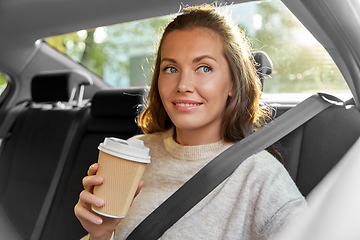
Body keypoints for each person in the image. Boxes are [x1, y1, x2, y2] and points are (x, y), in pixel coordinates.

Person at [74, 4, 307, 240]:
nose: (183, 84)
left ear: (233, 84)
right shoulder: (135, 152)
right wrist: (101, 235)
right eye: (171, 68)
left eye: (204, 68)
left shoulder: (260, 176)